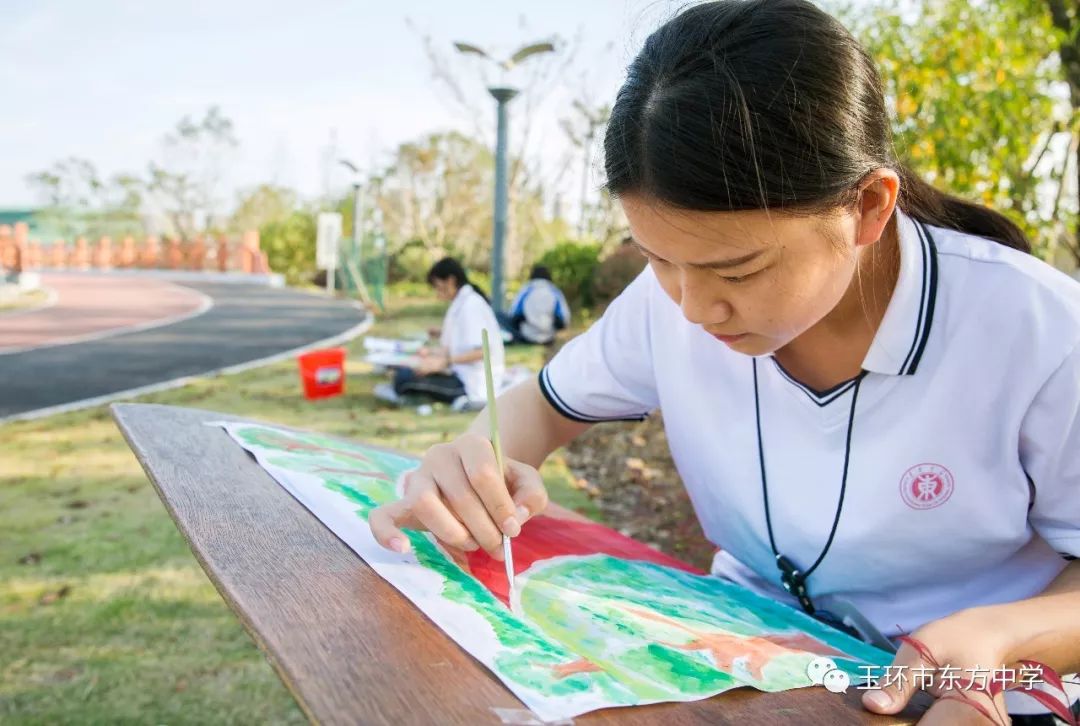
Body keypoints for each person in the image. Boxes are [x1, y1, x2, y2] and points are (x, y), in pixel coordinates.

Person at [369, 2, 1080, 722]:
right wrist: (474, 463)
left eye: (737, 272)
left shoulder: (1038, 332)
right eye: (659, 261)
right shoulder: (668, 299)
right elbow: (543, 408)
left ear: (867, 205)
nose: (692, 308)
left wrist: (1007, 633)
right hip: (746, 665)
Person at [375, 258, 504, 407]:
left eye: (437, 286)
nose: (437, 292)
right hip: (460, 373)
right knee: (406, 371)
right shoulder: (462, 303)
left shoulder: (470, 306)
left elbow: (483, 351)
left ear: (450, 281)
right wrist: (431, 355)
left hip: (471, 383)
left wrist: (444, 362)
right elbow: (460, 342)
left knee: (404, 379)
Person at [499, 265, 571, 345]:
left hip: (527, 337)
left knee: (499, 315)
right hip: (549, 338)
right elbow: (564, 319)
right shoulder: (554, 291)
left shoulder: (526, 289)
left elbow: (513, 314)